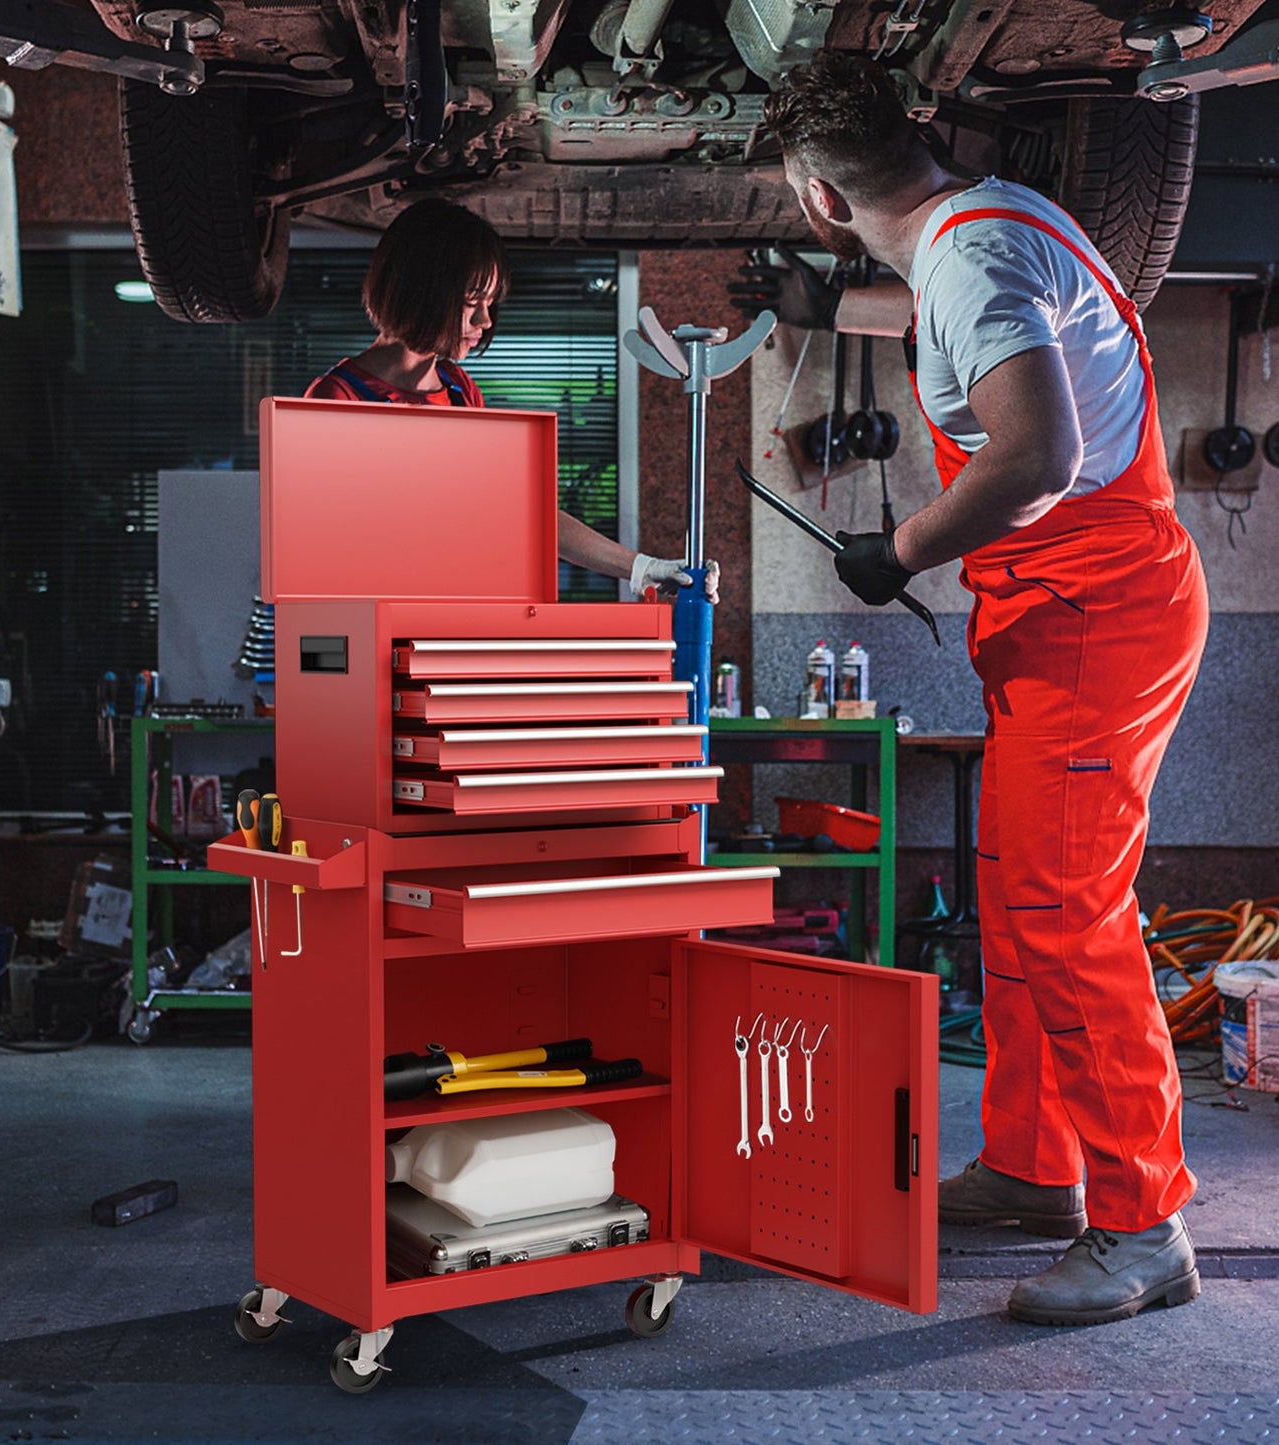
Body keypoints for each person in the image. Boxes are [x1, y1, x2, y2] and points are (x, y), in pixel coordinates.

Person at [748, 53, 1209, 1327]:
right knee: (1016, 904)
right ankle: (1030, 1165)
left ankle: (1139, 1221)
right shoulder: (987, 219)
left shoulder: (966, 263)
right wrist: (824, 309)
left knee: (1067, 919)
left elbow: (1038, 450)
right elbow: (976, 336)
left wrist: (890, 551)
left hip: (1091, 617)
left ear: (817, 198)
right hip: (1060, 615)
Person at [307, 197, 718, 605]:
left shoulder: (458, 390)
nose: (485, 322)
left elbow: (524, 512)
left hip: (460, 626)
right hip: (387, 632)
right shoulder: (338, 399)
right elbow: (330, 556)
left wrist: (642, 568)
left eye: (490, 304)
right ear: (422, 290)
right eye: (472, 301)